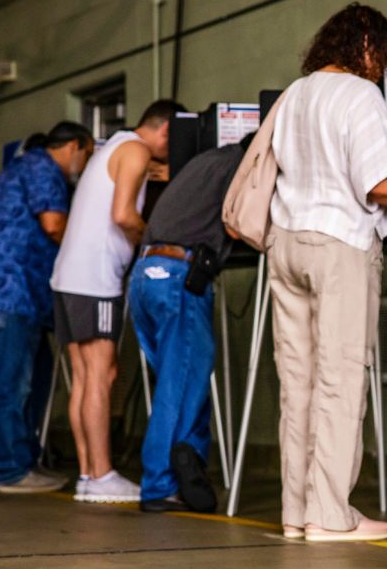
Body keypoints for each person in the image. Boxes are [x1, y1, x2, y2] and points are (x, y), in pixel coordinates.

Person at [262, 3, 387, 542]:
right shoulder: (360, 95)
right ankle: (329, 515)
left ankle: (296, 512)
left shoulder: (295, 94)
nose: (383, 68)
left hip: (285, 241)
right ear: (366, 46)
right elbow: (377, 183)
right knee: (340, 380)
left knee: (297, 383)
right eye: (383, 56)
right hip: (337, 244)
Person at [50, 100, 183, 504]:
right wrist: (154, 243)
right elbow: (124, 214)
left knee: (84, 376)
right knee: (103, 375)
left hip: (67, 276)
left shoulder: (113, 148)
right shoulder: (137, 151)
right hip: (95, 278)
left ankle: (89, 475)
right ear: (165, 131)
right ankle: (104, 474)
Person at [0, 121, 94, 494]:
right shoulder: (43, 168)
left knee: (26, 378)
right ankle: (10, 470)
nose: (84, 166)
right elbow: (53, 224)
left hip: (12, 292)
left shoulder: (22, 167)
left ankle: (20, 461)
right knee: (11, 382)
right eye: (87, 156)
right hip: (11, 291)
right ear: (73, 146)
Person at [129, 134, 251, 513]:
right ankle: (160, 486)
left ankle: (187, 471)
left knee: (180, 380)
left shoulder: (205, 160)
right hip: (179, 275)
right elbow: (237, 224)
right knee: (179, 387)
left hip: (145, 273)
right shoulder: (243, 167)